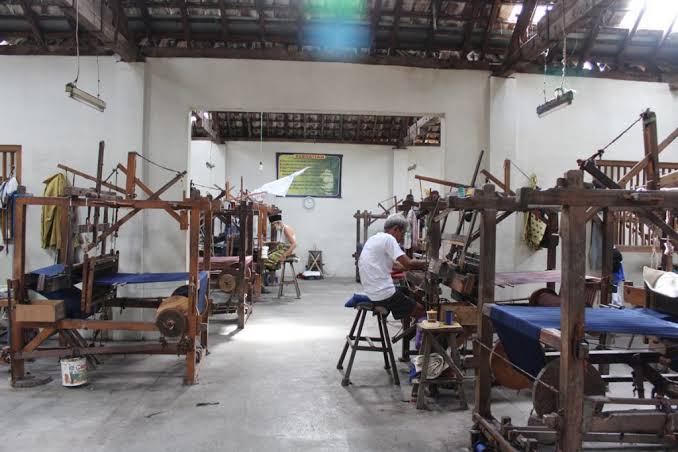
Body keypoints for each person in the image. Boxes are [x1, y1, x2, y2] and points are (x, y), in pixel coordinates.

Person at [358, 214, 427, 322]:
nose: (402, 238)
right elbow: (408, 263)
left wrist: (413, 267)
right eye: (402, 234)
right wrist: (428, 263)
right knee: (420, 310)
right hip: (383, 294)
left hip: (372, 291)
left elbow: (395, 265)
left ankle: (409, 326)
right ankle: (420, 330)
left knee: (410, 293)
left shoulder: (374, 238)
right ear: (395, 229)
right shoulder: (389, 239)